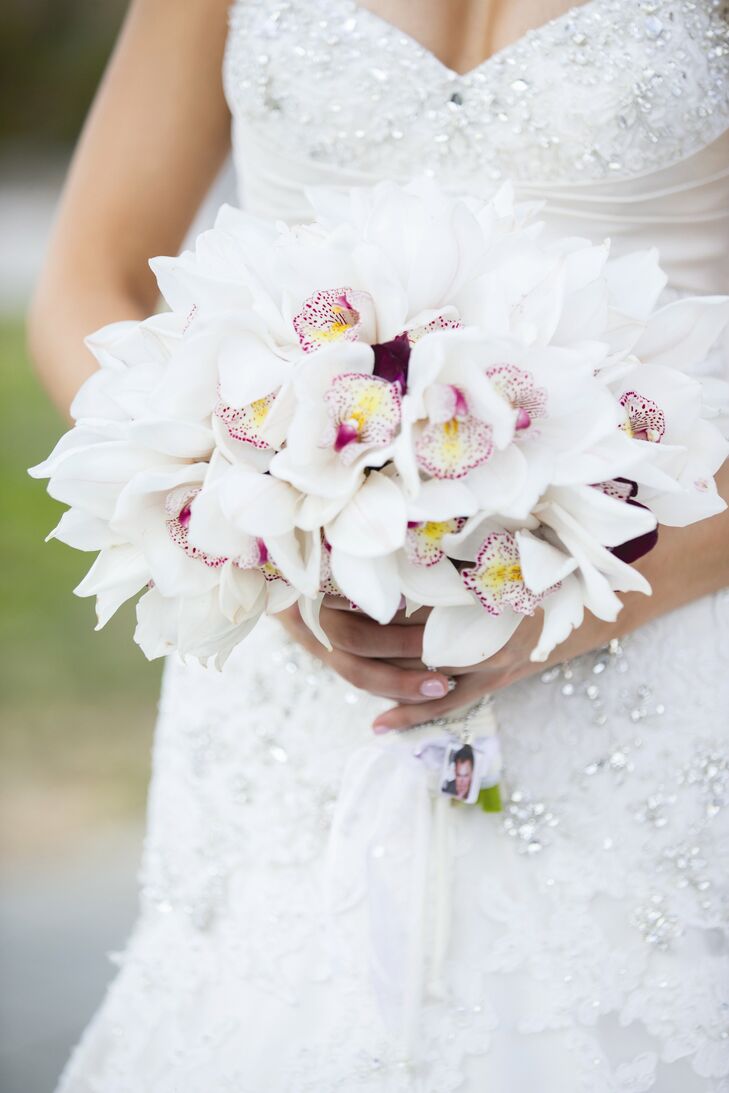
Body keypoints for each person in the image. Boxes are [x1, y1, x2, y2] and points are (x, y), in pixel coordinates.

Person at [28, 1, 729, 1090]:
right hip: (300, 652)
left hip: (669, 634)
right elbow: (90, 277)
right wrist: (252, 524)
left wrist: (589, 593)